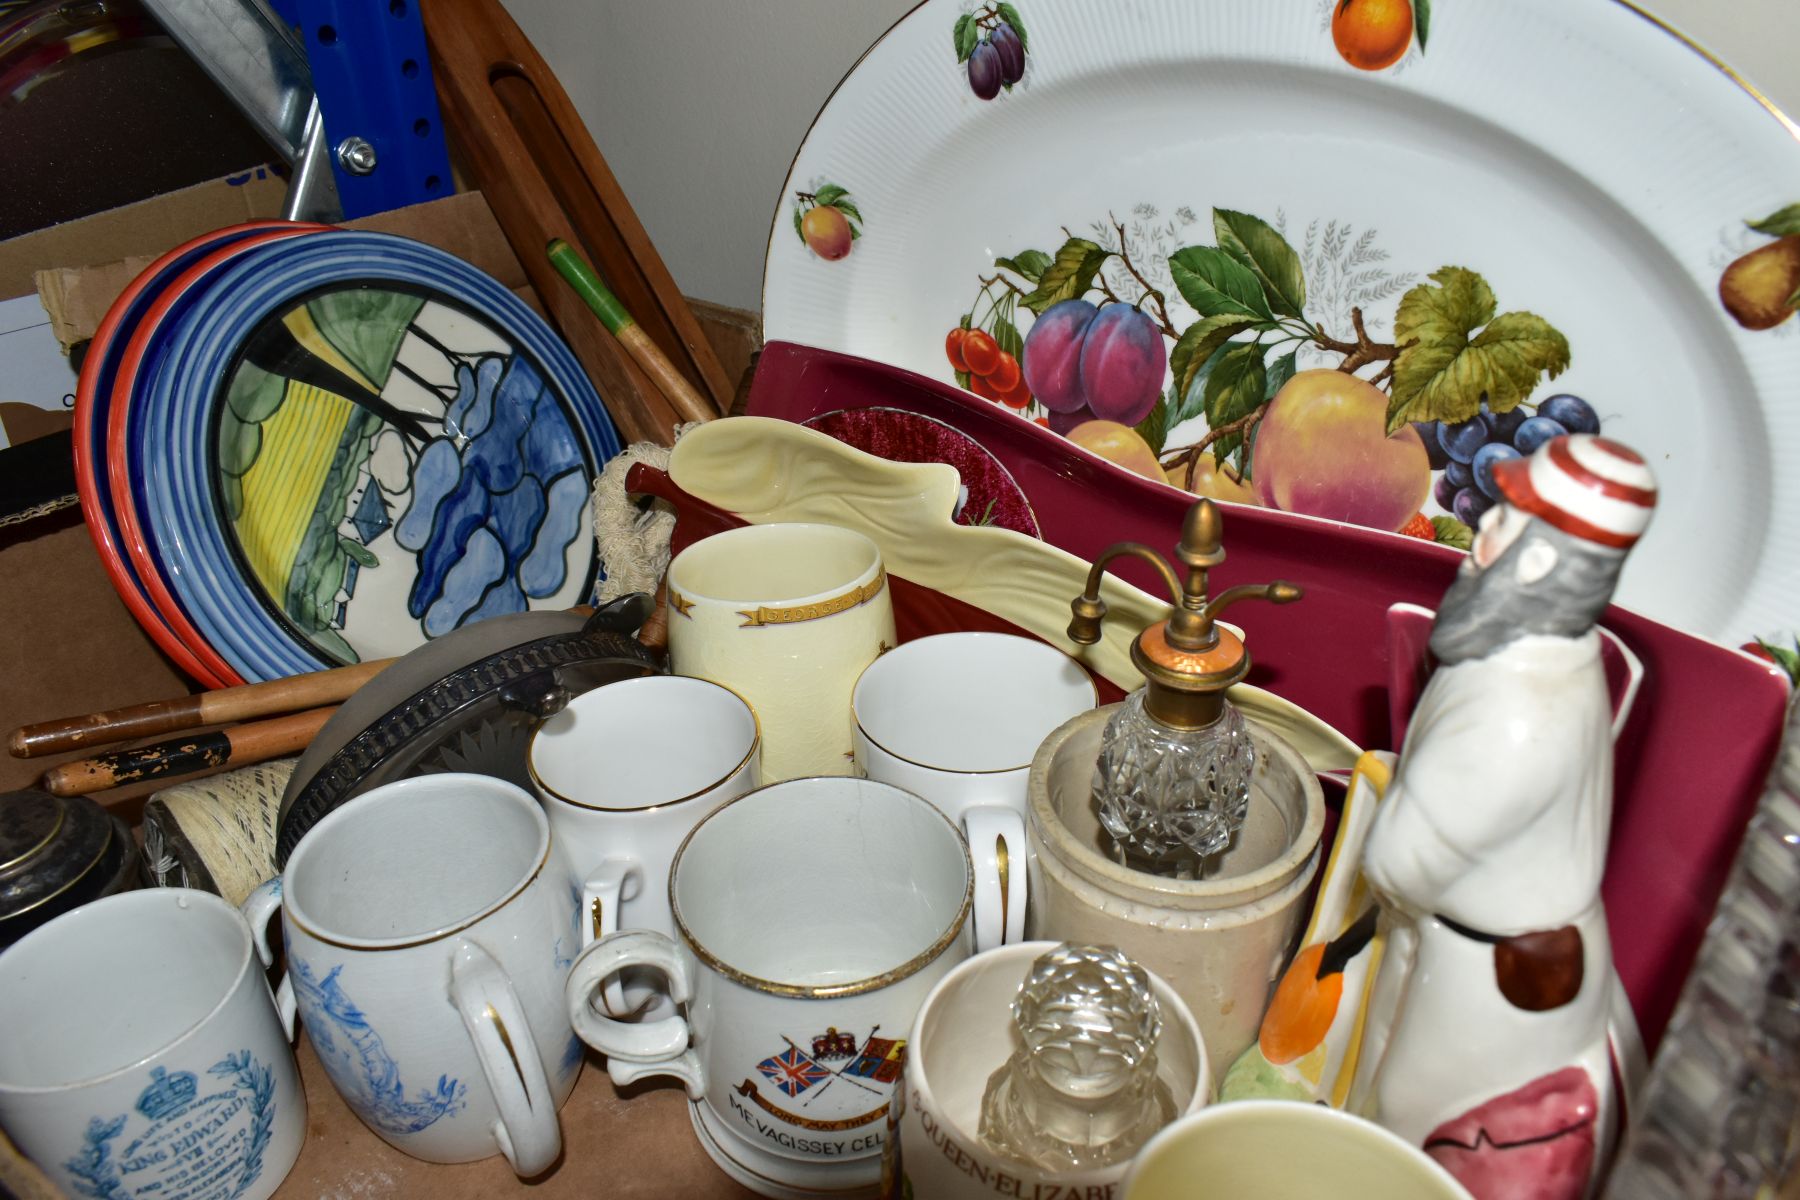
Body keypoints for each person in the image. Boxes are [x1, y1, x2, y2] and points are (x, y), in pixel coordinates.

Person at [1348, 434, 1656, 1200]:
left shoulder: (1517, 715)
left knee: (1414, 1135)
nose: (1480, 532)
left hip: (1487, 976)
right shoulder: (1540, 657)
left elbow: (1398, 861)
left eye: (1507, 522)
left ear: (1545, 564)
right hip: (1482, 945)